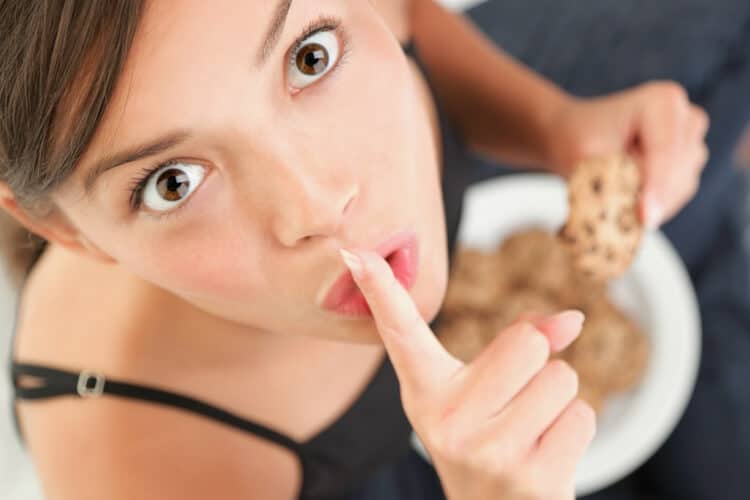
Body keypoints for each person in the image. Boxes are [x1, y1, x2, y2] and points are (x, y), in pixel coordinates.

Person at [0, 1, 708, 499]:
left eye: (310, 56)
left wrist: (556, 125)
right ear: (70, 233)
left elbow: (416, 21)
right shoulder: (149, 475)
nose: (320, 206)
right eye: (172, 182)